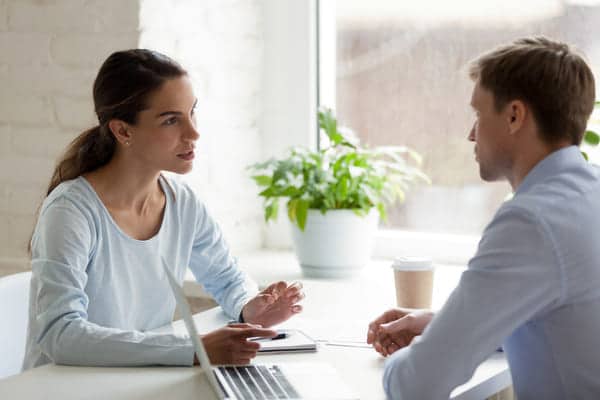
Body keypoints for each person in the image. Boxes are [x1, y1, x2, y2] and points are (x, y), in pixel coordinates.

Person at [23, 49, 304, 369]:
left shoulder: (182, 203)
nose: (194, 133)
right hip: (62, 388)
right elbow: (61, 334)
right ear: (123, 131)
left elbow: (226, 279)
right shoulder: (70, 212)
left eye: (192, 113)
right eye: (171, 120)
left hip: (135, 381)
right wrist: (193, 349)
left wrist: (248, 307)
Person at [367, 36, 600, 399]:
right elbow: (569, 323)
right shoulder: (589, 194)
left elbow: (417, 384)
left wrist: (435, 349)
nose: (471, 133)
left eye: (478, 113)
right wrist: (443, 326)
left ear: (513, 116)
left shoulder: (531, 222)